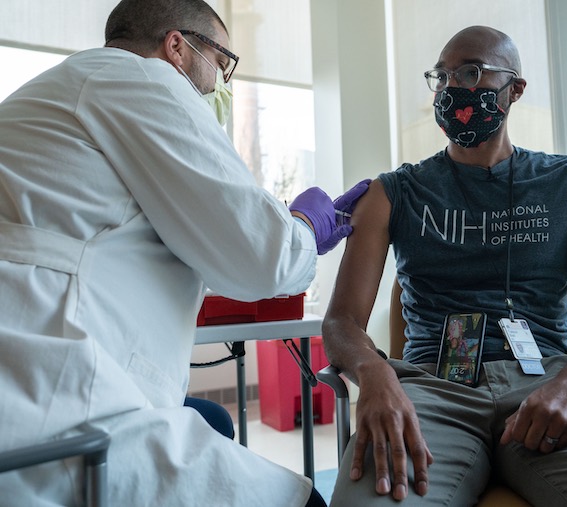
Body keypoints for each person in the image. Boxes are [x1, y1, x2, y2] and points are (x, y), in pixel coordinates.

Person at [0, 0, 369, 505]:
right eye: (222, 64)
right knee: (300, 501)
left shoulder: (57, 92)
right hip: (58, 400)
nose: (222, 85)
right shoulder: (139, 81)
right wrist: (303, 226)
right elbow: (264, 258)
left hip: (34, 365)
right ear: (177, 47)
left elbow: (133, 235)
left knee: (212, 421)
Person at [321, 26, 567, 506]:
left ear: (515, 89)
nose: (453, 87)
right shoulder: (393, 193)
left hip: (550, 385)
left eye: (472, 72)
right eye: (442, 76)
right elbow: (341, 321)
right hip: (432, 396)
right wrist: (375, 375)